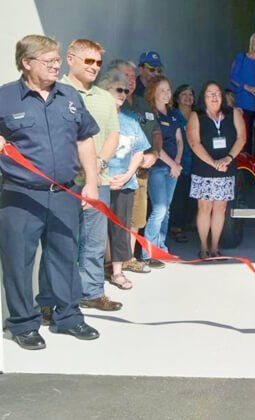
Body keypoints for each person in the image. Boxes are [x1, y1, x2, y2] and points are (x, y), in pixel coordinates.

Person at [0, 34, 101, 350]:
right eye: (49, 61)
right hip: (20, 195)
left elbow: (85, 140)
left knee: (64, 256)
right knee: (19, 262)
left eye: (58, 60)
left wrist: (92, 183)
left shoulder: (69, 96)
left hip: (63, 194)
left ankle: (68, 317)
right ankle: (23, 324)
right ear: (27, 63)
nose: (57, 65)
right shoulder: (5, 98)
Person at [49, 39, 121, 312]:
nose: (94, 67)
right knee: (61, 241)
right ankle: (56, 299)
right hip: (63, 183)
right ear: (71, 58)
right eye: (88, 61)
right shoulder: (55, 91)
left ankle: (91, 293)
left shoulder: (104, 97)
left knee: (94, 241)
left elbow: (113, 134)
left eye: (98, 62)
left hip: (96, 182)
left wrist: (98, 162)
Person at [107, 59, 162, 272]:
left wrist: (155, 153)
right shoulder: (108, 104)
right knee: (114, 218)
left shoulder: (142, 103)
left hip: (141, 169)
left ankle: (128, 259)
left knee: (136, 217)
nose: (130, 80)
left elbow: (156, 132)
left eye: (131, 76)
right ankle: (110, 262)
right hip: (115, 172)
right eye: (125, 76)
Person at [97, 69, 149, 291]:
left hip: (124, 183)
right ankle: (95, 273)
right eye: (118, 89)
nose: (122, 93)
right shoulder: (95, 117)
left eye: (125, 90)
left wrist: (128, 174)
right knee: (95, 231)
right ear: (105, 91)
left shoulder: (129, 119)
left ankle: (117, 272)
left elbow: (139, 151)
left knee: (120, 229)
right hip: (99, 183)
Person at [186, 81, 246, 258]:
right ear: (203, 97)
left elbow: (241, 138)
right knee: (204, 208)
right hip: (204, 169)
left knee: (220, 208)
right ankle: (204, 247)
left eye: (217, 93)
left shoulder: (233, 113)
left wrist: (227, 159)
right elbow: (194, 143)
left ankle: (214, 246)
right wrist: (214, 163)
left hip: (226, 168)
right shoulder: (196, 115)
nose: (214, 96)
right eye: (210, 93)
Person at [142, 75, 183, 264]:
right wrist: (172, 164)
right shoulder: (150, 113)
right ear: (153, 93)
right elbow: (155, 144)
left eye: (168, 90)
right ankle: (148, 252)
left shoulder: (173, 113)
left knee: (166, 211)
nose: (167, 94)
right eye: (162, 90)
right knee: (159, 209)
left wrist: (177, 163)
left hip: (172, 169)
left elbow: (179, 140)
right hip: (157, 168)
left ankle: (161, 248)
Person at [168, 84, 196, 244]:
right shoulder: (173, 115)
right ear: (177, 98)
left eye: (190, 94)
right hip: (178, 161)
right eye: (184, 94)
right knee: (178, 196)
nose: (187, 97)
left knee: (190, 195)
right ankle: (175, 228)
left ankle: (186, 223)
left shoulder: (197, 116)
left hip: (195, 162)